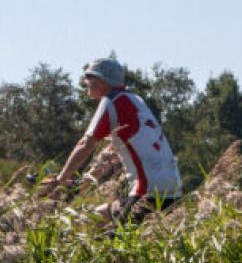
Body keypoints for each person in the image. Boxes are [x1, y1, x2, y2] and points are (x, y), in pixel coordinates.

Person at [41, 57, 183, 225]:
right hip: (172, 188)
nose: (85, 81)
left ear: (103, 80)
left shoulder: (112, 101)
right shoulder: (135, 100)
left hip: (147, 191)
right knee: (95, 217)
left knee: (112, 241)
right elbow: (111, 155)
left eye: (89, 76)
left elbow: (85, 144)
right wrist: (84, 183)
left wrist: (61, 179)